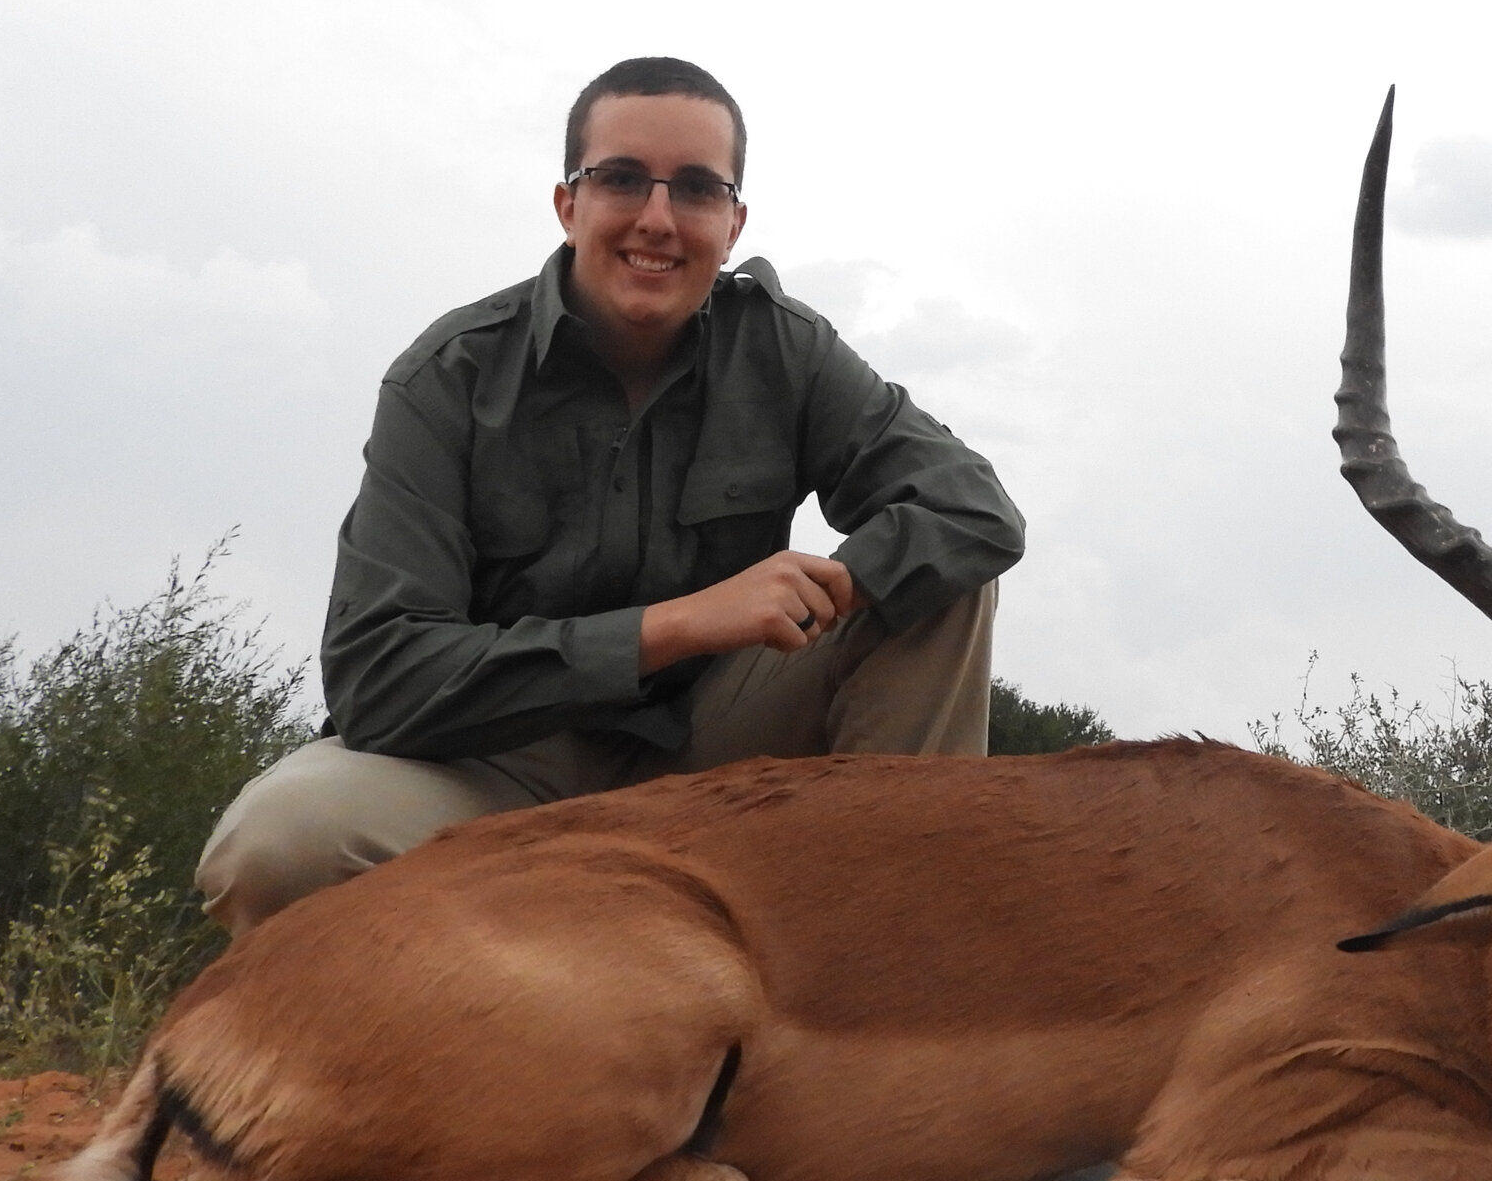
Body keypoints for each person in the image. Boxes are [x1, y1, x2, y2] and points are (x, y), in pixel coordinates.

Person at [196, 56, 1026, 935]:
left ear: (734, 220)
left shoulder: (786, 351)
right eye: (623, 179)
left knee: (942, 580)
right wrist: (679, 625)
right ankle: (402, 1063)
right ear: (569, 204)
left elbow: (972, 510)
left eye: (698, 189)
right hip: (493, 771)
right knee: (277, 845)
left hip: (722, 767)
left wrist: (835, 588)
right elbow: (380, 680)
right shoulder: (447, 378)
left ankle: (877, 971)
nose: (658, 220)